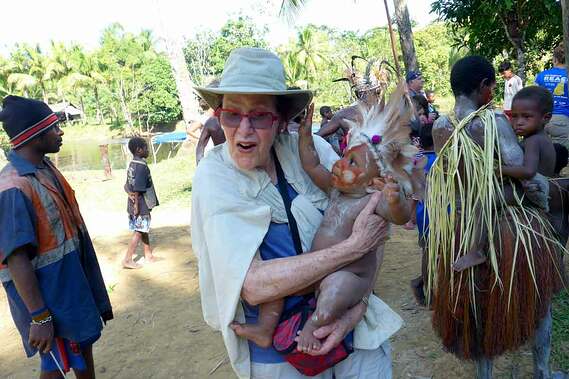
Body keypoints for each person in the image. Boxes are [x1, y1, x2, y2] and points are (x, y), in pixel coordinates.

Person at [191, 47, 403, 379]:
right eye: (232, 114)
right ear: (219, 116)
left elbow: (374, 225)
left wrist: (356, 308)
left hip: (356, 332)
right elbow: (254, 286)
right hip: (283, 354)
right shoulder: (214, 175)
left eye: (259, 115)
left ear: (282, 120)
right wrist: (352, 248)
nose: (244, 129)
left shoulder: (311, 150)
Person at [232, 83, 421, 355]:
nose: (340, 164)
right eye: (345, 157)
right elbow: (311, 164)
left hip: (350, 275)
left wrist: (394, 198)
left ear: (374, 183)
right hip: (319, 268)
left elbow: (401, 216)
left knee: (335, 288)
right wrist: (305, 135)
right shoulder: (335, 190)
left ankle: (314, 325)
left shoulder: (373, 201)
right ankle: (264, 329)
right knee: (279, 285)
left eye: (353, 164)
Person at [429, 56, 563, 379]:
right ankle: (542, 371)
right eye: (491, 86)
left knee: (479, 310)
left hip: (460, 228)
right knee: (539, 302)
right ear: (484, 87)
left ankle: (484, 375)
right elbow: (528, 179)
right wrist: (543, 203)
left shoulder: (439, 126)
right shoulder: (490, 123)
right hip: (507, 226)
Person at [0, 96, 113, 378]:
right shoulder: (14, 186)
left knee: (82, 354)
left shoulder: (45, 168)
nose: (60, 132)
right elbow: (16, 259)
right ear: (35, 136)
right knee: (56, 364)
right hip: (50, 299)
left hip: (70, 286)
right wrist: (40, 317)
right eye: (54, 128)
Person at [453, 86, 556, 271]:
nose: (518, 122)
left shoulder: (534, 140)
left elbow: (528, 171)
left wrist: (499, 169)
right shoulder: (539, 137)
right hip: (538, 188)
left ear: (545, 118)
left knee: (484, 201)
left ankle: (476, 250)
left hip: (531, 192)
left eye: (526, 116)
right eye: (514, 116)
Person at [410, 122, 436, 306]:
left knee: (429, 251)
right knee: (432, 252)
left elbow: (414, 191)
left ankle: (424, 283)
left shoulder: (417, 159)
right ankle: (424, 285)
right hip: (439, 212)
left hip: (423, 212)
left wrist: (412, 214)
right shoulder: (442, 159)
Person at [123, 137, 159, 269]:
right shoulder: (142, 167)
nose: (147, 150)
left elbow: (126, 185)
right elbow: (138, 188)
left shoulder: (132, 164)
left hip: (133, 202)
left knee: (143, 228)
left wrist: (129, 195)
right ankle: (127, 259)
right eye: (145, 147)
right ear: (139, 150)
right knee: (139, 230)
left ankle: (148, 254)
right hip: (140, 204)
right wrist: (137, 206)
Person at [536, 44, 569, 150]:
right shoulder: (567, 75)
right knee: (562, 159)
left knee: (543, 157)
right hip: (562, 120)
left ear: (554, 59)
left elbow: (533, 97)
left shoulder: (541, 76)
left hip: (541, 120)